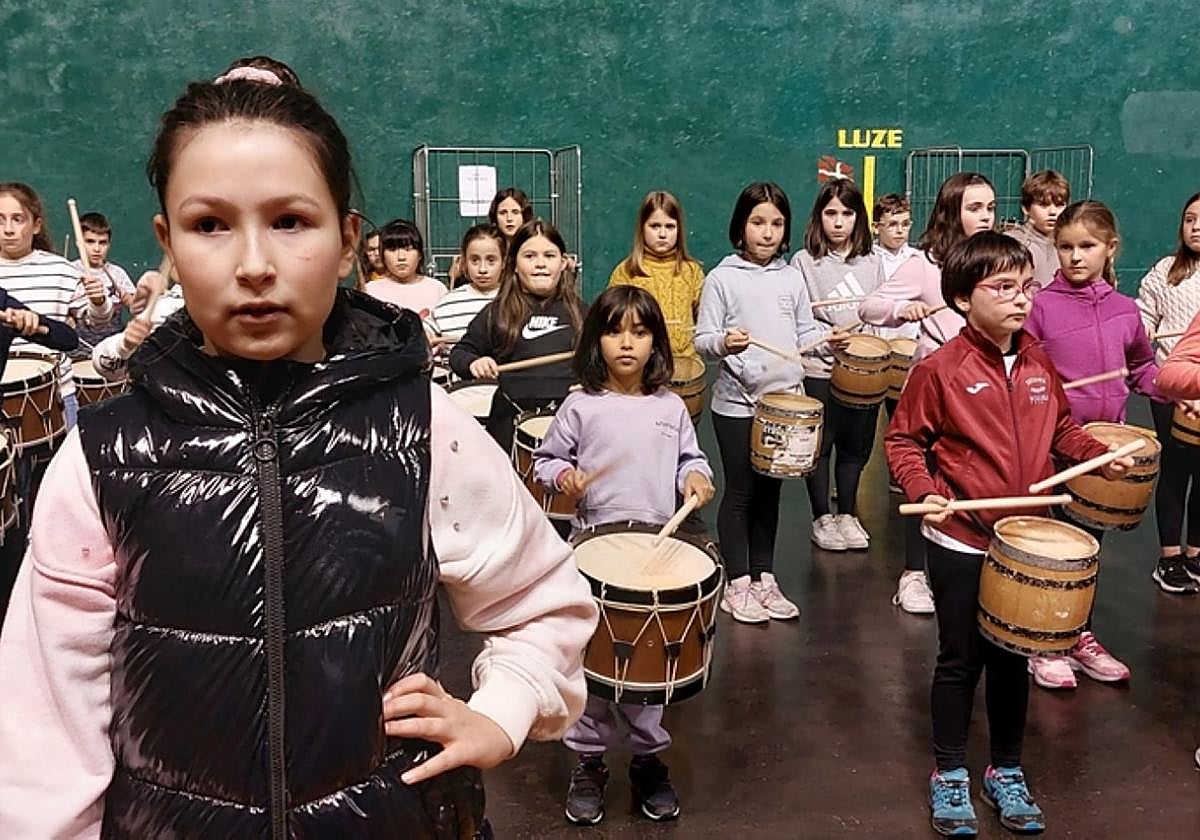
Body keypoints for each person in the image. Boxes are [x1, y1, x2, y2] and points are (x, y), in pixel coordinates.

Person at [0, 61, 596, 839]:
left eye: (290, 221)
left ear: (347, 241)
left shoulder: (423, 425)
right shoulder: (105, 456)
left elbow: (544, 603)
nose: (254, 264)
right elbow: (44, 727)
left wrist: (503, 710)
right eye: (209, 225)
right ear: (167, 242)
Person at [886, 231, 1129, 837]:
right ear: (962, 298)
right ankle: (949, 771)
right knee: (960, 659)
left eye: (1026, 286)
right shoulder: (939, 370)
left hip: (1025, 539)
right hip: (962, 539)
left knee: (1013, 659)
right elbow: (904, 440)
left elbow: (1062, 430)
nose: (1021, 298)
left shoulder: (1040, 362)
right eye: (1002, 287)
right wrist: (922, 489)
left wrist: (1097, 455)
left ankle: (1007, 769)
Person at [532, 285, 714, 825]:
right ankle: (588, 762)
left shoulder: (670, 407)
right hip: (592, 552)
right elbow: (545, 460)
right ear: (596, 341)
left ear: (656, 342)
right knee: (591, 670)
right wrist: (564, 475)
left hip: (654, 552)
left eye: (639, 332)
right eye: (614, 332)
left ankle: (647, 759)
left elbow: (690, 459)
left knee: (644, 671)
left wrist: (696, 476)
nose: (627, 343)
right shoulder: (580, 405)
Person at [1024, 200, 1162, 689]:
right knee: (1052, 546)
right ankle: (1044, 642)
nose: (1075, 256)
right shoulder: (1040, 307)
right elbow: (1026, 374)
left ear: (1111, 248)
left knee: (1088, 548)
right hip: (1055, 447)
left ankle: (1078, 634)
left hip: (1104, 453)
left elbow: (1142, 368)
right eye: (1065, 247)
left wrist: (1178, 392)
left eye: (1087, 246)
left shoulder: (1125, 311)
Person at [859, 172, 995, 615]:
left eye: (991, 208)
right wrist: (903, 309)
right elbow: (870, 306)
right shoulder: (926, 264)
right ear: (952, 211)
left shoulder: (996, 260)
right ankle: (914, 574)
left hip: (986, 389)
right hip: (937, 388)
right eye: (975, 208)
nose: (986, 216)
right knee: (927, 479)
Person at [695, 181, 829, 624]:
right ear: (741, 226)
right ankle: (737, 584)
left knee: (770, 494)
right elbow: (703, 340)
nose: (767, 232)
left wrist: (827, 341)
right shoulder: (722, 278)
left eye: (776, 223)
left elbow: (805, 332)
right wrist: (724, 344)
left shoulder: (792, 277)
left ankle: (763, 578)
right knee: (741, 493)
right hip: (737, 406)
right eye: (758, 222)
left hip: (784, 406)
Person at [792, 177, 884, 551]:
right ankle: (821, 517)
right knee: (821, 445)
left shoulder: (872, 261)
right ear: (819, 217)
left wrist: (864, 345)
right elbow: (799, 318)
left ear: (858, 218)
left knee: (855, 446)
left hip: (861, 372)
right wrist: (826, 338)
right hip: (819, 368)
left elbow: (876, 313)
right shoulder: (803, 262)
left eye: (847, 213)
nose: (839, 222)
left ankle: (847, 513)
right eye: (831, 213)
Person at [449, 219, 584, 453]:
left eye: (549, 256)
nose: (540, 264)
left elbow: (601, 363)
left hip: (568, 420)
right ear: (514, 264)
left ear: (563, 263)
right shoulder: (497, 312)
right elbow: (460, 353)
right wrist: (474, 362)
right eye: (529, 256)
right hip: (510, 421)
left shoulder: (582, 313)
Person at [0, 182, 114, 428]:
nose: (8, 229)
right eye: (0, 220)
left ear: (36, 225)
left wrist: (98, 302)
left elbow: (96, 322)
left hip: (56, 392)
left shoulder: (61, 269)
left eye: (18, 219)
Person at [1136, 190, 1200, 594]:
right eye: (1190, 219)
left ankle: (1195, 553)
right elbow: (1143, 317)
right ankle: (1170, 557)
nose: (1197, 227)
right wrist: (1143, 331)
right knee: (1176, 471)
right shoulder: (1166, 271)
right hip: (1171, 389)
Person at [608, 190, 705, 363]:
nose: (662, 234)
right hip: (640, 366)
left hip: (685, 365)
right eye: (654, 226)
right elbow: (613, 324)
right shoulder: (627, 271)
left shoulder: (691, 271)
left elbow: (706, 321)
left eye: (670, 227)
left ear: (679, 229)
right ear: (642, 228)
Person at [426, 223, 505, 351]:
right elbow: (425, 333)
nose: (482, 269)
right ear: (464, 261)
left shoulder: (516, 299)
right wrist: (426, 336)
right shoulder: (449, 302)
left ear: (504, 261)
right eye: (475, 260)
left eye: (491, 260)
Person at [69, 212, 135, 355]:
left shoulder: (117, 273)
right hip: (79, 350)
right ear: (79, 243)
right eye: (90, 241)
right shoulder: (68, 272)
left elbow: (136, 308)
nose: (97, 249)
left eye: (102, 242)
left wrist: (131, 302)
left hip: (114, 349)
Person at [362, 218, 447, 317]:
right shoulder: (370, 291)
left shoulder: (437, 289)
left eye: (408, 249)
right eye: (392, 250)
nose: (401, 257)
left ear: (420, 254)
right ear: (382, 255)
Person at [1005, 170, 1069, 290]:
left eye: (1059, 205)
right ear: (1026, 208)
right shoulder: (1013, 243)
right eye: (1043, 205)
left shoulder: (1068, 244)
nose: (1053, 212)